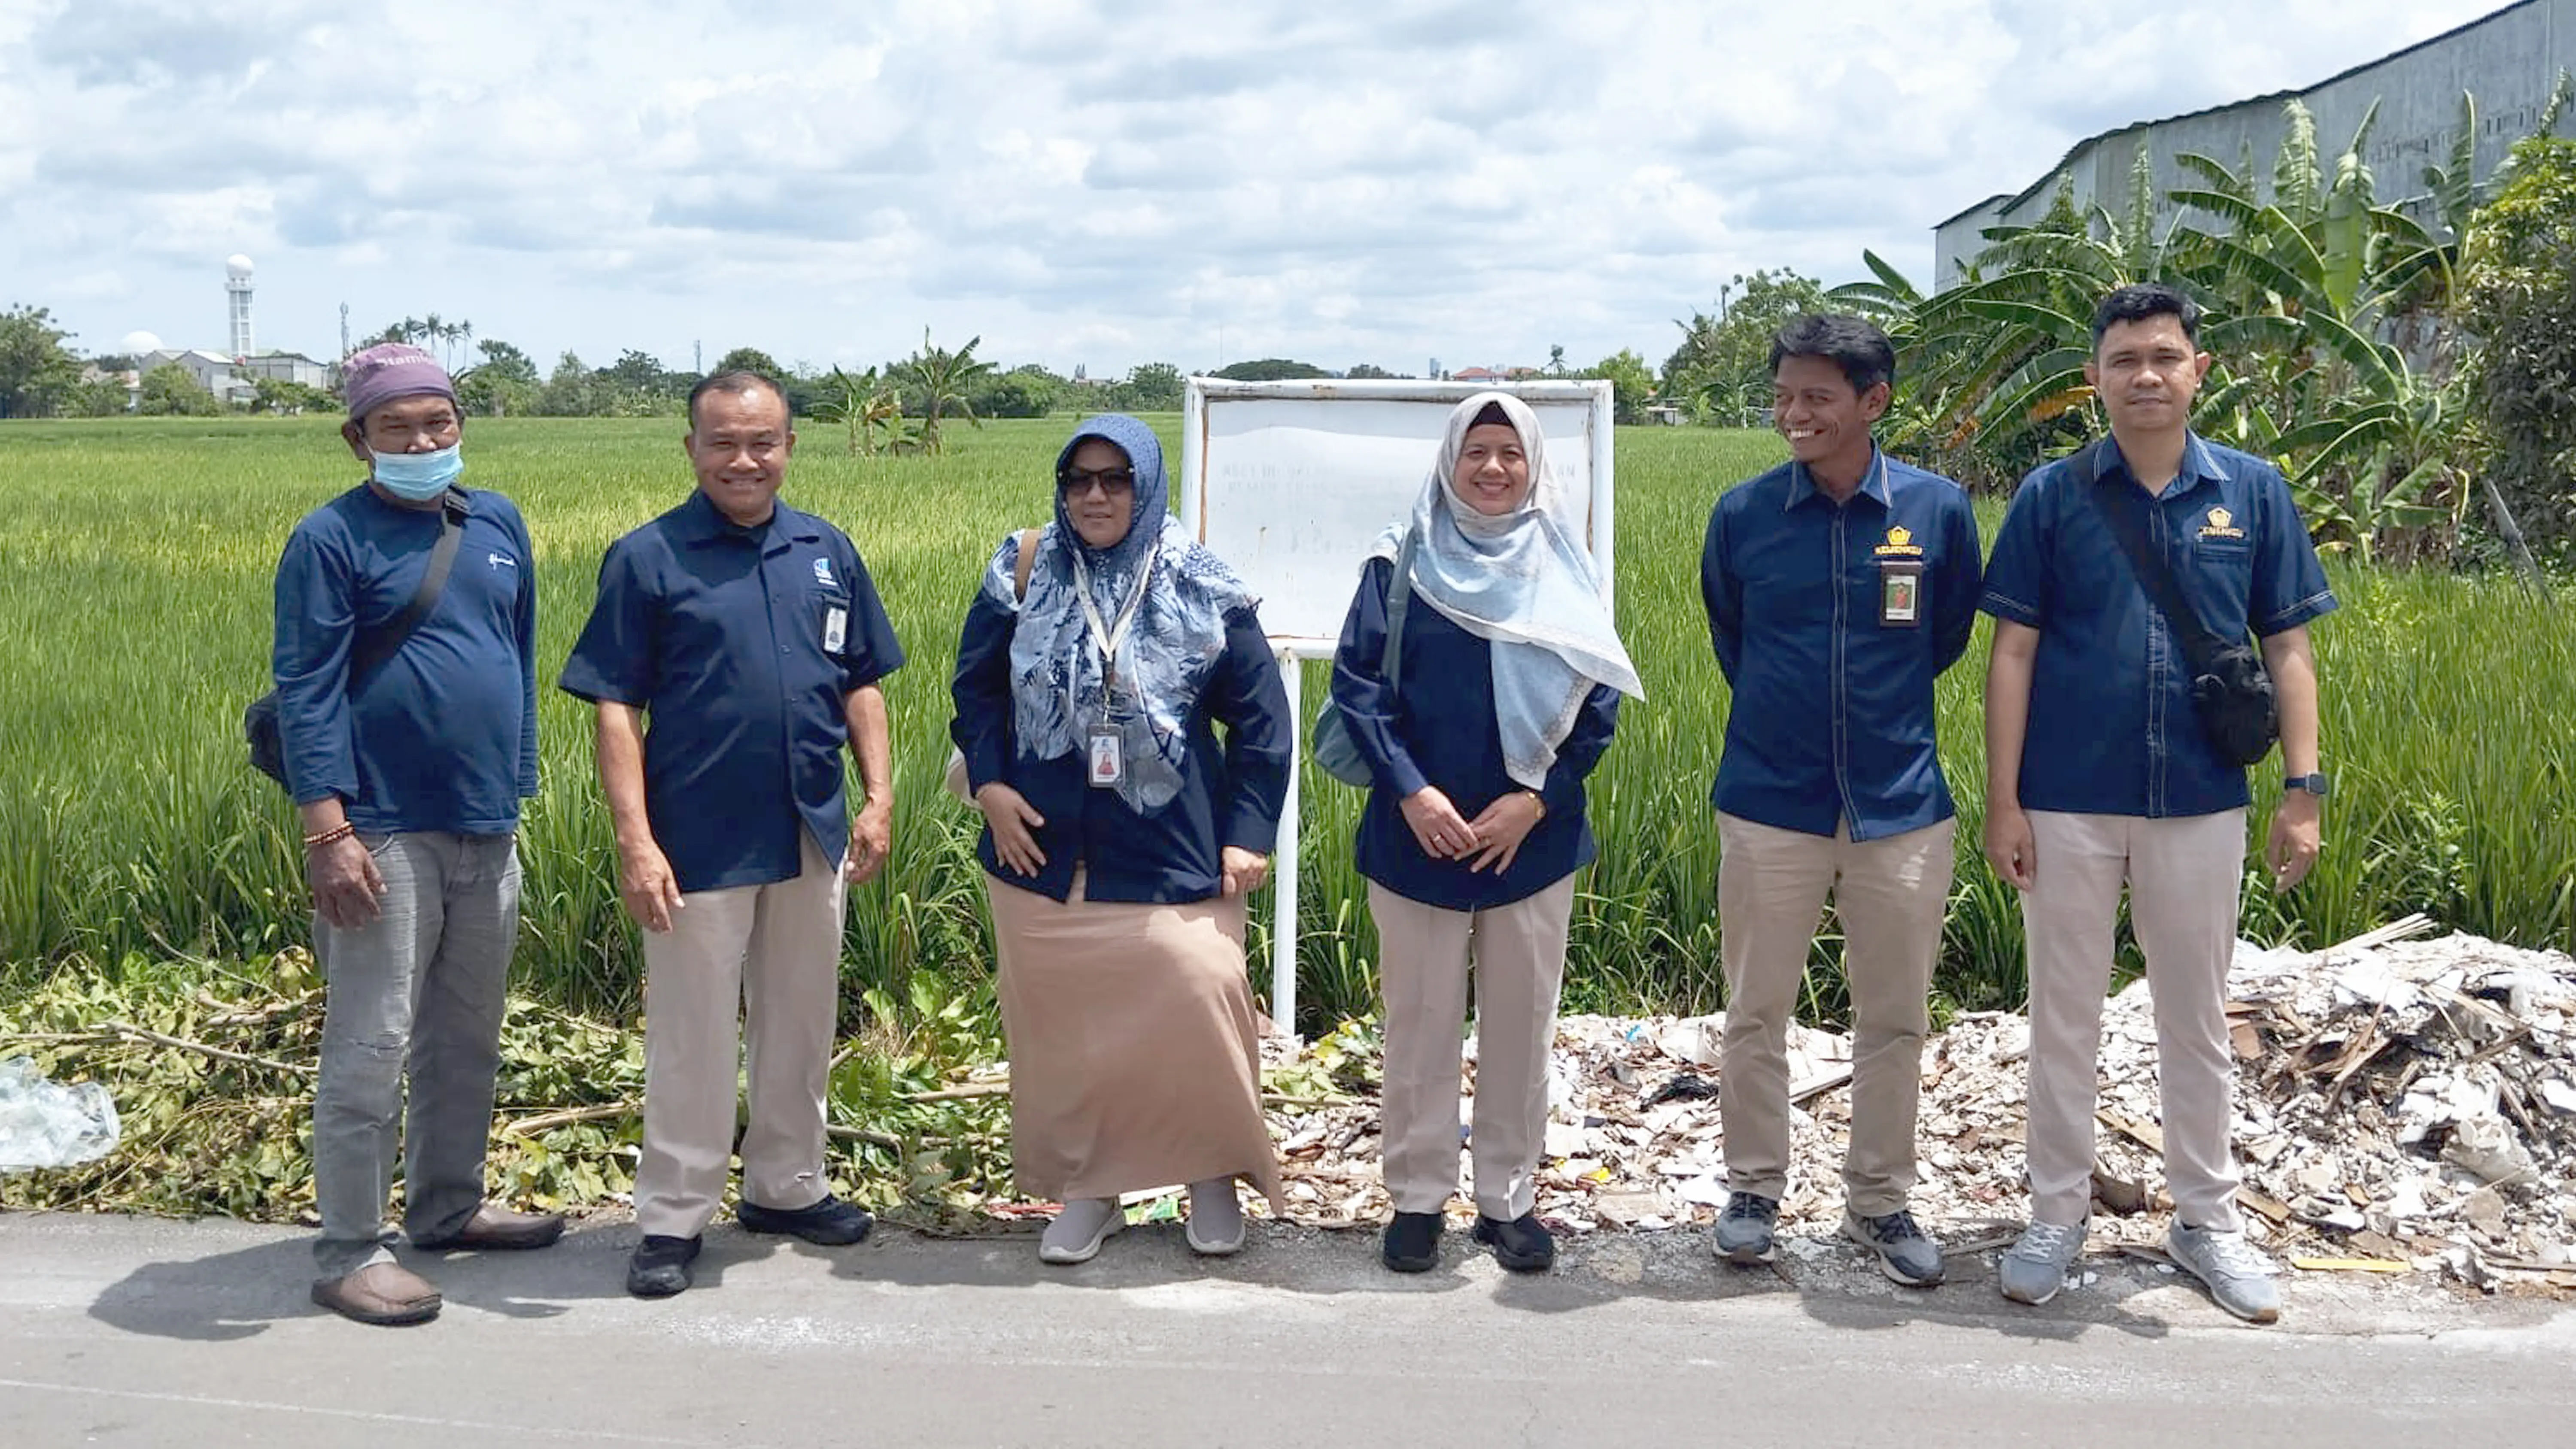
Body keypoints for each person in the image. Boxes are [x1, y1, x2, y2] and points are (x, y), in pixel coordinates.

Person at [1980, 283, 2335, 1324]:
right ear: (2094, 378)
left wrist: (2302, 789)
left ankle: (2205, 1219)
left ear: (2198, 371)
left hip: (2201, 799)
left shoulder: (2254, 493)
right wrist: (2006, 800)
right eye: (2125, 359)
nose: (2145, 375)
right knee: (2064, 1017)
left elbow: (2290, 645)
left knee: (2196, 1018)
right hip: (2068, 799)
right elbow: (2013, 649)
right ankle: (2054, 1213)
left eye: (2164, 357)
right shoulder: (2052, 495)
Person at [559, 370, 902, 1298]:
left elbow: (862, 679)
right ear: (692, 450)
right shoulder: (649, 557)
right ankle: (674, 1213)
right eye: (724, 442)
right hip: (698, 834)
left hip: (809, 824)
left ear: (791, 445)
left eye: (763, 441)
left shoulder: (825, 550)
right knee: (693, 1031)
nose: (744, 460)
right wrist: (636, 840)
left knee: (799, 1016)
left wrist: (877, 796)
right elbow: (616, 706)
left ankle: (787, 1186)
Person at [951, 415, 1292, 1265]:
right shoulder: (1023, 568)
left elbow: (1261, 721)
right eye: (1081, 479)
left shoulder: (1203, 583)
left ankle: (1210, 1175)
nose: (1096, 494)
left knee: (1199, 999)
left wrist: (1250, 834)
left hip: (1174, 843)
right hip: (1043, 846)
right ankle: (1091, 1188)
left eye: (1117, 478)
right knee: (1071, 1034)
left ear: (1148, 485)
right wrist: (991, 784)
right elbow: (977, 689)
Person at [272, 343, 562, 1326]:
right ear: (360, 439)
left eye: (438, 423)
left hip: (485, 817)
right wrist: (328, 831)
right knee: (373, 1039)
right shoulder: (329, 539)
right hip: (381, 826)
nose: (423, 440)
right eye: (399, 427)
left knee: (467, 1032)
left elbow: (516, 654)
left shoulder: (496, 521)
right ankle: (350, 1247)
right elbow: (307, 688)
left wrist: (515, 785)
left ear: (461, 427)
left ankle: (448, 1206)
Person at [1698, 315, 1982, 1286]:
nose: (1793, 414)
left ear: (1874, 401)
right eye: (1783, 395)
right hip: (1770, 801)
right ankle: (1752, 1189)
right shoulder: (1743, 516)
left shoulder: (1937, 511)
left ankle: (1879, 1199)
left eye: (1817, 396)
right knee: (1755, 1009)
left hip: (1900, 804)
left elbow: (1941, 639)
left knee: (1895, 1015)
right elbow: (1733, 641)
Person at [1331, 391, 1640, 1274]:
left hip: (1530, 841)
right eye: (1478, 451)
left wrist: (1536, 800)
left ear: (1534, 464)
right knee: (1419, 1023)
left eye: (1511, 452)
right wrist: (1414, 794)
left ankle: (1509, 1196)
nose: (1495, 468)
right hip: (1414, 835)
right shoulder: (1401, 561)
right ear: (1450, 461)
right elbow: (1360, 688)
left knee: (1520, 1024)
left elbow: (1598, 696)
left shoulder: (1562, 565)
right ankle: (1418, 1196)